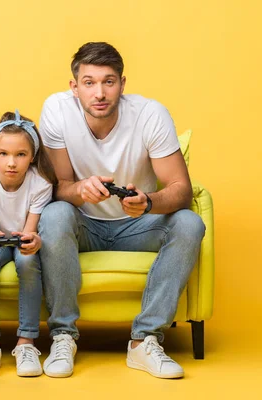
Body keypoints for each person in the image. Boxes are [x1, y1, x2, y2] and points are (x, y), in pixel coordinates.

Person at [38, 42, 206, 379]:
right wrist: (80, 190)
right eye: (89, 82)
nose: (99, 93)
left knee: (189, 223)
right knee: (54, 214)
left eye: (108, 81)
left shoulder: (149, 114)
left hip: (138, 225)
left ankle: (145, 340)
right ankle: (63, 336)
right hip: (84, 223)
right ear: (74, 87)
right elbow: (58, 187)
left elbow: (181, 190)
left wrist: (148, 202)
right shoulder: (56, 110)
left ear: (123, 83)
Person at [0, 111, 57, 378]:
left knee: (28, 260)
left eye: (21, 154)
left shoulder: (41, 183)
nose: (11, 162)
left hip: (22, 239)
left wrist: (32, 241)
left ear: (32, 155)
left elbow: (29, 233)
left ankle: (26, 342)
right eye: (4, 153)